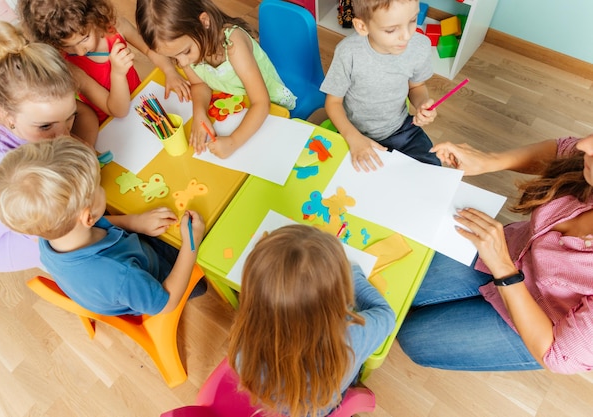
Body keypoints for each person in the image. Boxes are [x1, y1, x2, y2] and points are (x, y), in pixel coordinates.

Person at [397, 135, 593, 374]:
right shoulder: (585, 156)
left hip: (539, 323)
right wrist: (490, 161)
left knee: (414, 339)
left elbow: (558, 355)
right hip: (509, 251)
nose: (585, 145)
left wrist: (503, 269)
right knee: (401, 283)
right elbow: (565, 150)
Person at [0, 136, 206, 315]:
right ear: (88, 217)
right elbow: (166, 304)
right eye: (98, 186)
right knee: (202, 276)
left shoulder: (50, 233)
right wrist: (191, 244)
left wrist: (134, 222)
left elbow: (97, 226)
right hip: (154, 279)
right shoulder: (120, 275)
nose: (102, 188)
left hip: (124, 263)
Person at [0, 20, 99, 272]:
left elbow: (86, 114)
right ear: (5, 113)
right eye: (46, 127)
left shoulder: (4, 78)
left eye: (68, 118)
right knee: (75, 235)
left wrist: (81, 158)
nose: (64, 136)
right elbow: (51, 225)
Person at [228, 225, 394, 416]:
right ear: (337, 294)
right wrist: (352, 272)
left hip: (287, 406)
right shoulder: (351, 335)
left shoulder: (244, 345)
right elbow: (387, 315)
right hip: (323, 405)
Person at [135, 0, 296, 159]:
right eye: (173, 57)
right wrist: (199, 113)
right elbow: (199, 83)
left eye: (186, 52)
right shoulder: (189, 47)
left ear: (204, 22)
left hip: (272, 105)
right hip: (237, 103)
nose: (182, 63)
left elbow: (261, 103)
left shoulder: (233, 45)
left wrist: (233, 142)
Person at [18, 0, 192, 125]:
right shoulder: (71, 66)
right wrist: (117, 73)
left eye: (84, 38)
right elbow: (117, 110)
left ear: (94, 18)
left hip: (140, 99)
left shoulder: (114, 27)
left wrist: (170, 72)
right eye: (67, 46)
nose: (80, 51)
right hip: (112, 123)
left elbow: (148, 49)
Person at [321, 0, 439, 172]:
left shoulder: (419, 46)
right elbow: (333, 103)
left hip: (401, 130)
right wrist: (353, 138)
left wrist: (422, 104)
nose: (406, 35)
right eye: (391, 30)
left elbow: (416, 87)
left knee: (433, 170)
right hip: (354, 131)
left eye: (413, 20)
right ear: (362, 26)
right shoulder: (348, 52)